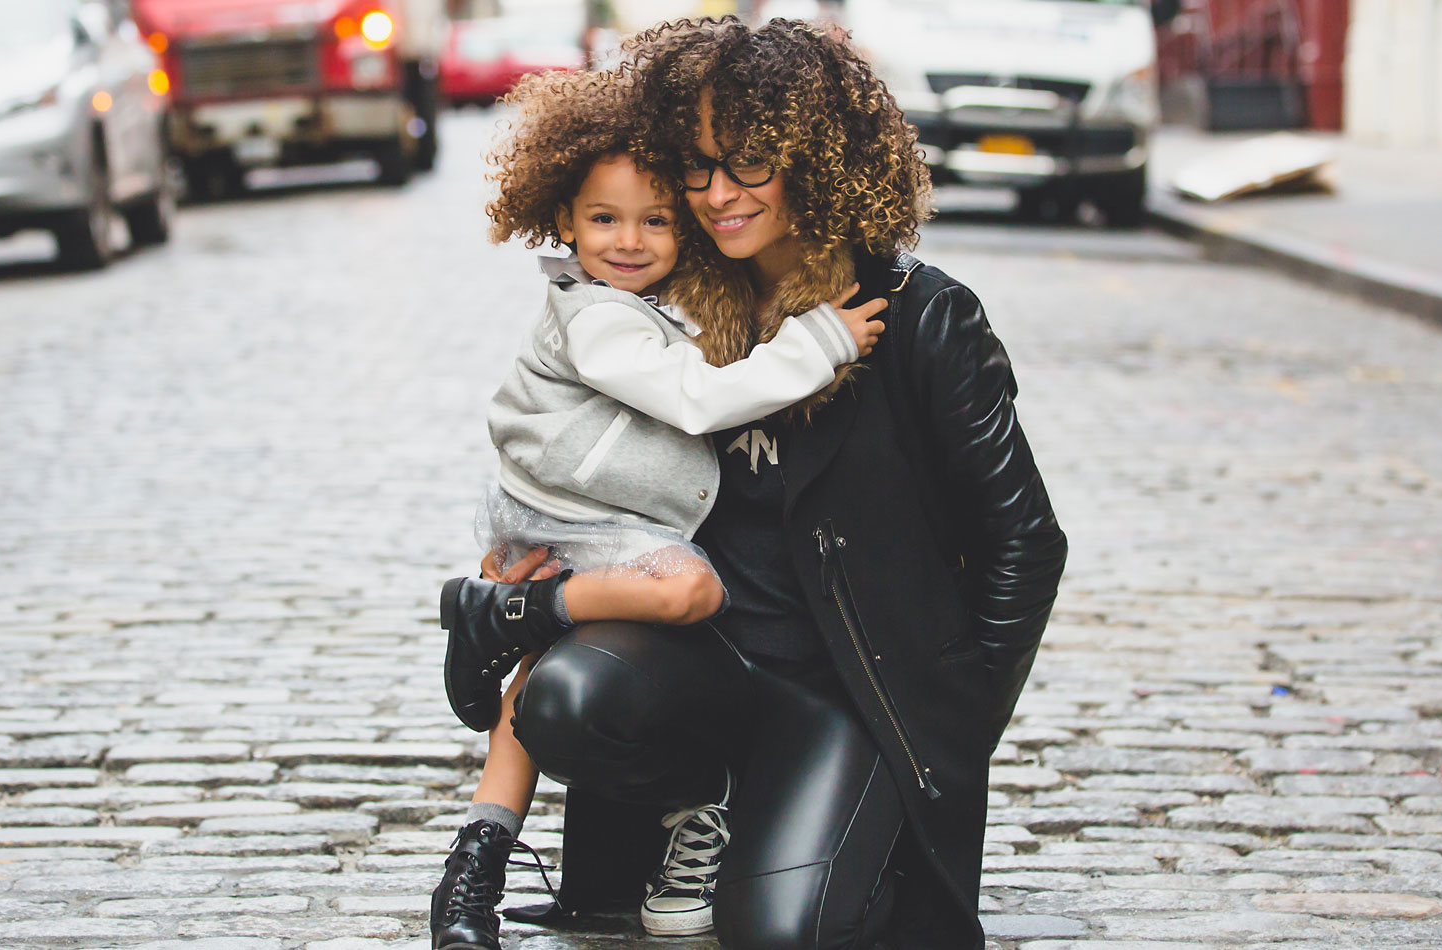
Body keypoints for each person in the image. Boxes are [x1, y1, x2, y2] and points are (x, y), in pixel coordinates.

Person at [480, 17, 1072, 949]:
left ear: (817, 157)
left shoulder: (921, 318)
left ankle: (824, 824)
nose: (718, 194)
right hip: (706, 666)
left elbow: (1023, 543)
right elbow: (582, 451)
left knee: (782, 934)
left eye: (750, 163)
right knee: (565, 702)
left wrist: (947, 734)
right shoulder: (667, 301)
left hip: (848, 693)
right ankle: (705, 808)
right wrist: (540, 551)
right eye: (699, 166)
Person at [430, 67, 889, 950]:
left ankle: (474, 863)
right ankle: (505, 612)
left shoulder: (650, 301)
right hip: (575, 519)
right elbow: (695, 400)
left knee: (538, 677)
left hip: (568, 516)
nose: (630, 241)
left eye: (656, 220)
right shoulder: (598, 317)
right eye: (605, 220)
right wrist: (821, 342)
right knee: (688, 591)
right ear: (563, 221)